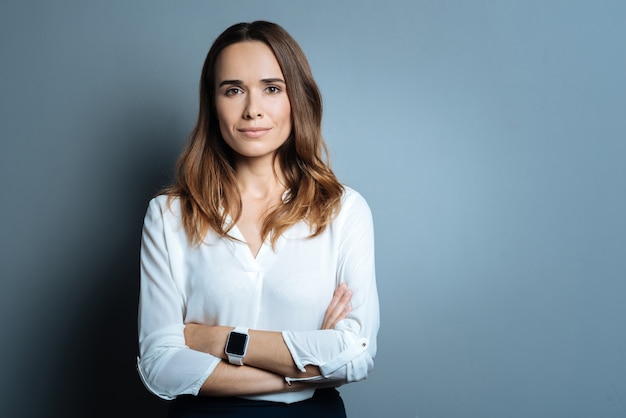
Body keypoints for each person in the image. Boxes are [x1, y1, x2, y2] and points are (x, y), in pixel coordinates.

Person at [136, 20, 379, 417]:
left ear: (295, 98)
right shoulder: (169, 215)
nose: (252, 109)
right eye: (233, 90)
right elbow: (161, 367)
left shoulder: (343, 211)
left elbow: (356, 355)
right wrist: (307, 369)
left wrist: (216, 339)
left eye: (272, 88)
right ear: (213, 105)